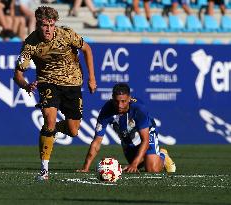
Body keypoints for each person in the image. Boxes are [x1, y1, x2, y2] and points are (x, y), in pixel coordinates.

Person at [13, 6, 97, 180]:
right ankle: (44, 170)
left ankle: (51, 131)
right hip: (47, 82)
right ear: (38, 24)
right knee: (49, 119)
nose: (48, 29)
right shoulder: (30, 44)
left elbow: (87, 49)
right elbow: (18, 75)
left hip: (73, 82)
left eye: (51, 25)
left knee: (74, 131)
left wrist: (92, 78)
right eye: (45, 25)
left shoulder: (66, 34)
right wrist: (26, 85)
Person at [77, 83, 176, 173]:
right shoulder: (106, 111)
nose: (120, 105)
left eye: (123, 101)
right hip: (127, 137)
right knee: (138, 163)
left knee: (152, 169)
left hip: (146, 133)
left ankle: (163, 155)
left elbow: (145, 140)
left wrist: (134, 164)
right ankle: (147, 158)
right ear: (112, 98)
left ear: (129, 98)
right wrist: (86, 167)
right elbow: (97, 142)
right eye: (117, 101)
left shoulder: (139, 109)